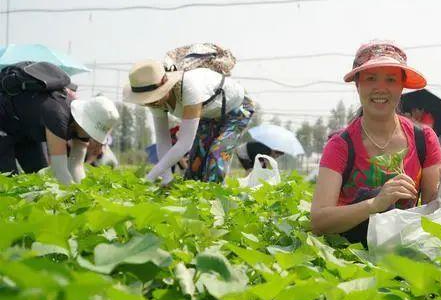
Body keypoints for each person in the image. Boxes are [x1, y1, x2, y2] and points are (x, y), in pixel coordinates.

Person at [311, 40, 441, 244]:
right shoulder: (341, 145)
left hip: (404, 252)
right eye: (371, 78)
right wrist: (376, 203)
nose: (380, 88)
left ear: (402, 86)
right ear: (358, 85)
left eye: (391, 80)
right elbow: (319, 221)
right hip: (351, 256)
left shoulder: (424, 139)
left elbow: (432, 210)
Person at [123, 59, 253, 185]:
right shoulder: (155, 103)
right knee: (195, 167)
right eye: (146, 99)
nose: (150, 102)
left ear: (164, 82)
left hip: (237, 109)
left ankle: (215, 201)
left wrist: (150, 177)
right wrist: (167, 178)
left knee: (217, 154)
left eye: (153, 96)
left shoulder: (189, 87)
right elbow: (163, 140)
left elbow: (185, 143)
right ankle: (196, 204)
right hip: (208, 115)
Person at [0, 62, 119, 185]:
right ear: (85, 121)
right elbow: (59, 171)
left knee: (40, 176)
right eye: (92, 132)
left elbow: (76, 166)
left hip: (26, 131)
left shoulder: (83, 130)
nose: (91, 138)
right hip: (3, 125)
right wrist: (72, 197)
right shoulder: (57, 115)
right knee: (8, 181)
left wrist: (85, 193)